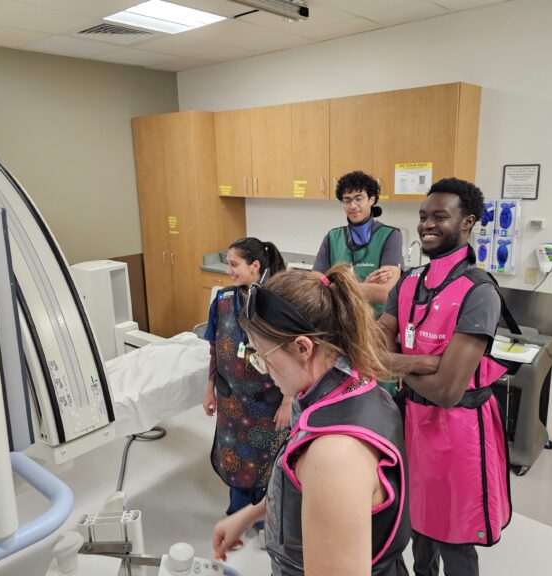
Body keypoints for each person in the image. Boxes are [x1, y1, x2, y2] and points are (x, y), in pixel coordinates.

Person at [213, 265, 411, 576]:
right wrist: (251, 514)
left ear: (304, 347)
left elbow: (326, 482)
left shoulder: (335, 455)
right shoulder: (352, 387)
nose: (261, 369)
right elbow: (313, 490)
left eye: (264, 356)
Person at [378, 178, 511, 576]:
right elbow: (376, 342)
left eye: (440, 217)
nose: (427, 225)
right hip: (412, 425)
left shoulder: (479, 291)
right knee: (418, 525)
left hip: (459, 432)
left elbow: (449, 391)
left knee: (455, 537)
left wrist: (397, 361)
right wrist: (424, 361)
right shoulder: (409, 281)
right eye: (422, 217)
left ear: (467, 221)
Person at [203, 237, 292, 549]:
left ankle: (267, 521)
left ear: (256, 266)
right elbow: (215, 348)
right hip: (231, 402)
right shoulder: (224, 300)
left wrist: (288, 400)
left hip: (268, 404)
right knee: (236, 465)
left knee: (267, 465)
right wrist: (210, 389)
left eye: (234, 264)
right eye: (227, 263)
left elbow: (293, 354)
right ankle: (237, 519)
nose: (228, 270)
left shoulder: (277, 300)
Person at [313, 170, 403, 317]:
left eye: (358, 198)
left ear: (371, 199)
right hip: (340, 320)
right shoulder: (332, 237)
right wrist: (366, 287)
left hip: (375, 324)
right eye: (347, 200)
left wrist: (335, 286)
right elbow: (316, 285)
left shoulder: (390, 236)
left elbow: (386, 293)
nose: (352, 206)